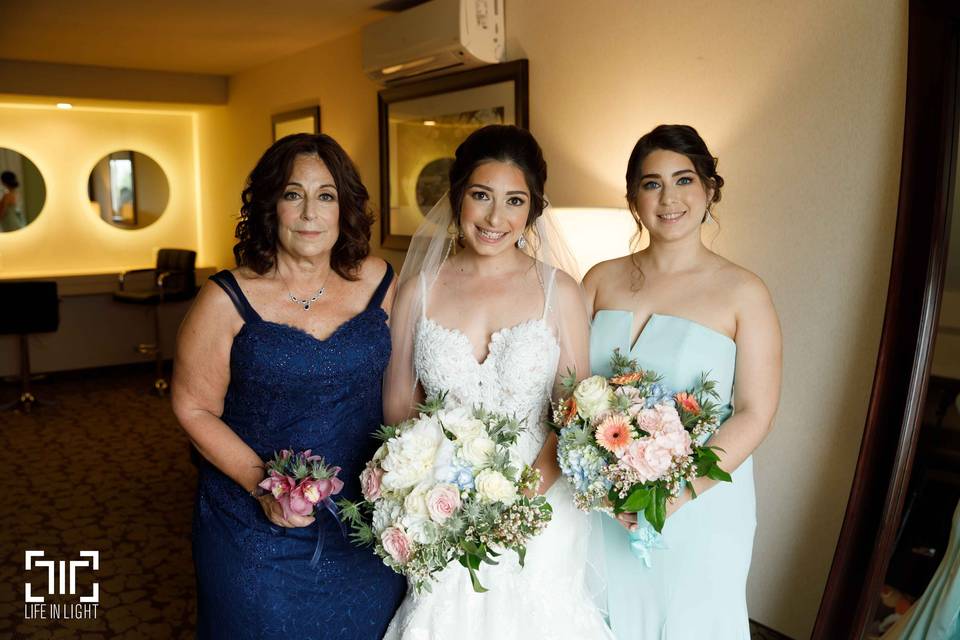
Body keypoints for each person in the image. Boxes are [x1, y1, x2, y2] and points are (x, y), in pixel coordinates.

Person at [382, 125, 614, 640]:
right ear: (458, 195)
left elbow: (576, 419)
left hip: (540, 503)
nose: (494, 218)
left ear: (532, 210)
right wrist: (425, 490)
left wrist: (515, 504)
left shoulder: (561, 293)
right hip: (442, 505)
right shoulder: (419, 291)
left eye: (514, 200)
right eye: (481, 196)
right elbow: (399, 408)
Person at [171, 134, 406, 639]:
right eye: (293, 194)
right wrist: (264, 486)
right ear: (270, 205)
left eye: (326, 196)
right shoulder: (225, 298)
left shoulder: (381, 281)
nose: (309, 213)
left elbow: (405, 388)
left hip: (364, 524)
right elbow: (193, 408)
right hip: (253, 530)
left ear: (344, 209)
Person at [583, 124, 782, 639]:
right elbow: (568, 388)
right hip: (602, 502)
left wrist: (673, 495)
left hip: (697, 507)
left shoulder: (744, 292)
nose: (668, 198)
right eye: (651, 184)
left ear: (710, 189)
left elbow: (755, 412)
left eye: (684, 180)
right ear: (633, 198)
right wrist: (600, 483)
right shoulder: (599, 279)